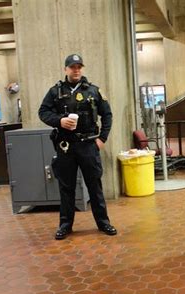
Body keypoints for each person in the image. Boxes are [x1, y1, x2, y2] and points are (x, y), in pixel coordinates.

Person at [39, 54, 117, 240]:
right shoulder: (55, 91)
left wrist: (102, 139)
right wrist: (59, 121)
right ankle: (65, 226)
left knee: (94, 186)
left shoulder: (93, 91)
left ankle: (103, 223)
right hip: (65, 146)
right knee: (67, 187)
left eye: (79, 67)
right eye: (72, 67)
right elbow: (43, 112)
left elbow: (107, 115)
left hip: (89, 145)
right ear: (66, 69)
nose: (76, 70)